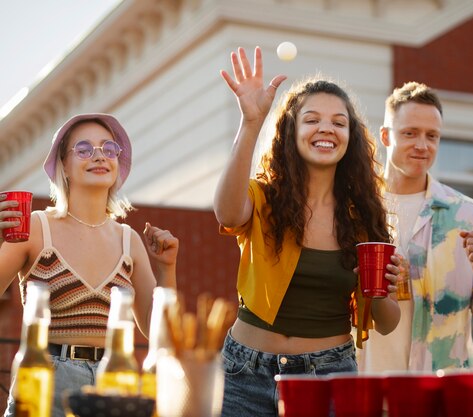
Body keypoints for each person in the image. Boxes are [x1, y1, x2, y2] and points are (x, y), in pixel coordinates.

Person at [214, 46, 401, 417]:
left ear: (350, 137)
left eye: (338, 122)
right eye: (311, 119)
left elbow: (387, 321)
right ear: (291, 131)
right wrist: (251, 123)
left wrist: (379, 290)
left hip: (330, 376)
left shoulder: (365, 218)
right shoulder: (264, 198)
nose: (325, 129)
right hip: (244, 373)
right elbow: (227, 210)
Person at [0, 113, 179, 417]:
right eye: (84, 150)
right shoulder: (35, 227)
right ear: (64, 166)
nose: (99, 157)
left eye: (109, 149)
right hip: (46, 380)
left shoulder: (129, 240)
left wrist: (167, 268)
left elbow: (158, 330)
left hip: (115, 383)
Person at [359, 81, 473, 373]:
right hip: (366, 388)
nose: (422, 145)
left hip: (443, 393)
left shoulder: (467, 214)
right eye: (410, 133)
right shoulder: (354, 209)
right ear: (386, 136)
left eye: (432, 136)